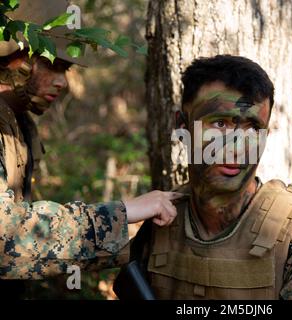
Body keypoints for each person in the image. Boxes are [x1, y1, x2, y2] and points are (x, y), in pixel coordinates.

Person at [133, 55, 292, 300]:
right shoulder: (164, 219)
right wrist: (123, 213)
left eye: (252, 128)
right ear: (182, 127)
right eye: (220, 124)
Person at [0, 0, 180, 291]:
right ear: (16, 54)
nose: (63, 83)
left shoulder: (19, 122)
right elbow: (7, 240)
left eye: (67, 69)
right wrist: (120, 216)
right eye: (53, 65)